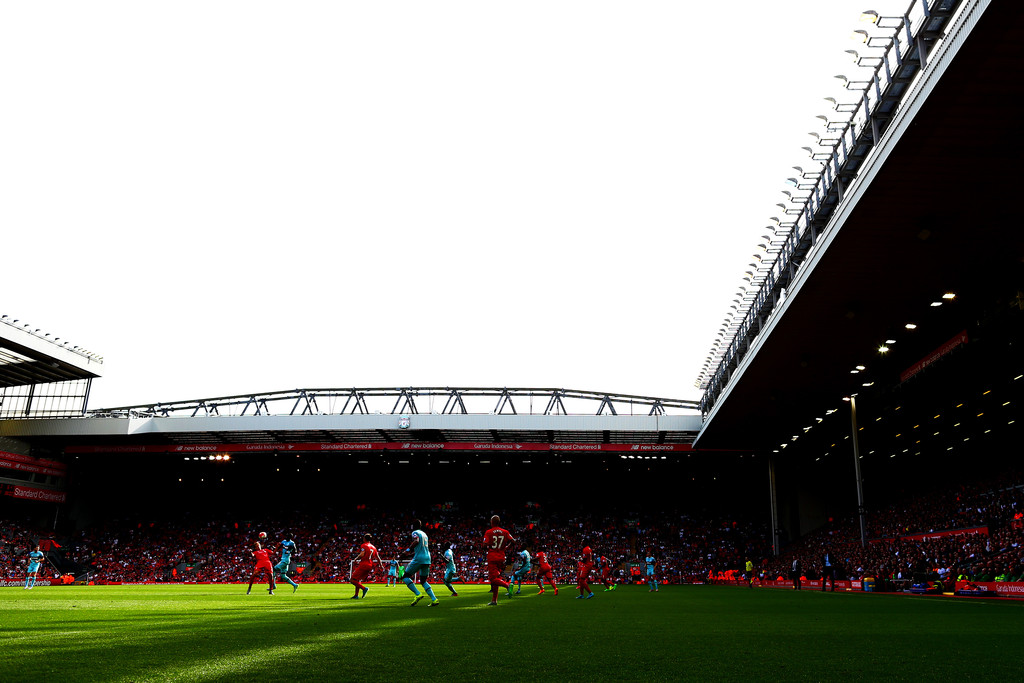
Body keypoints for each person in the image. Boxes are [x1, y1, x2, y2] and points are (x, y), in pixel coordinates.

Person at [402, 520, 438, 606]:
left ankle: (418, 594)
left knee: (406, 576)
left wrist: (407, 550)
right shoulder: (424, 534)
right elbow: (420, 549)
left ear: (413, 526)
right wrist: (409, 555)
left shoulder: (415, 532)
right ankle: (434, 599)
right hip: (427, 558)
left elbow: (416, 541)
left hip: (419, 558)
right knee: (423, 581)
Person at [483, 515, 517, 605]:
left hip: (492, 557)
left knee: (493, 579)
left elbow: (484, 545)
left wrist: (488, 547)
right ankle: (494, 600)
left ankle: (507, 585)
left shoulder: (489, 532)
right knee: (497, 578)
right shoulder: (505, 532)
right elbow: (513, 541)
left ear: (491, 522)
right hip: (501, 557)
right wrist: (506, 548)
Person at [351, 533, 385, 599]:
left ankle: (364, 588)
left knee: (352, 580)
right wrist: (381, 565)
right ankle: (356, 595)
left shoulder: (364, 545)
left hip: (364, 564)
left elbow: (362, 554)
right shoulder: (374, 547)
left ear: (364, 539)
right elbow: (378, 558)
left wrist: (356, 559)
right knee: (357, 580)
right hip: (370, 565)